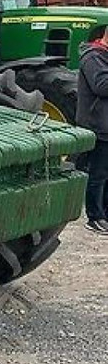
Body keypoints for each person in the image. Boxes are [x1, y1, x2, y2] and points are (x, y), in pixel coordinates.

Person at [77, 24, 108, 232]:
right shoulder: (93, 57)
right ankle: (95, 217)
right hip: (98, 125)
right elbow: (102, 86)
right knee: (98, 174)